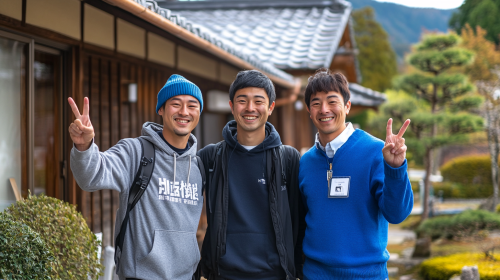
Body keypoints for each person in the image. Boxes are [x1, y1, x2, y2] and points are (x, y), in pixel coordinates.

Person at [69, 74, 204, 280]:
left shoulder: (198, 166)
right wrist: (84, 146)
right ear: (161, 109)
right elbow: (91, 176)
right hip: (141, 275)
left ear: (199, 112)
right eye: (175, 104)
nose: (184, 112)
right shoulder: (136, 152)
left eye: (192, 105)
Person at [298, 69, 413, 280]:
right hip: (314, 275)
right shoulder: (306, 161)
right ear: (309, 109)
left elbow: (397, 214)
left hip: (367, 275)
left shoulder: (376, 152)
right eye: (316, 103)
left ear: (347, 106)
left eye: (332, 101)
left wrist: (396, 168)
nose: (324, 110)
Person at [197, 70, 305, 280]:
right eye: (242, 100)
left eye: (258, 101)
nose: (250, 108)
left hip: (275, 274)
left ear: (271, 107)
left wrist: (298, 270)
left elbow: (298, 220)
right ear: (231, 106)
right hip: (223, 274)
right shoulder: (211, 157)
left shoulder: (288, 159)